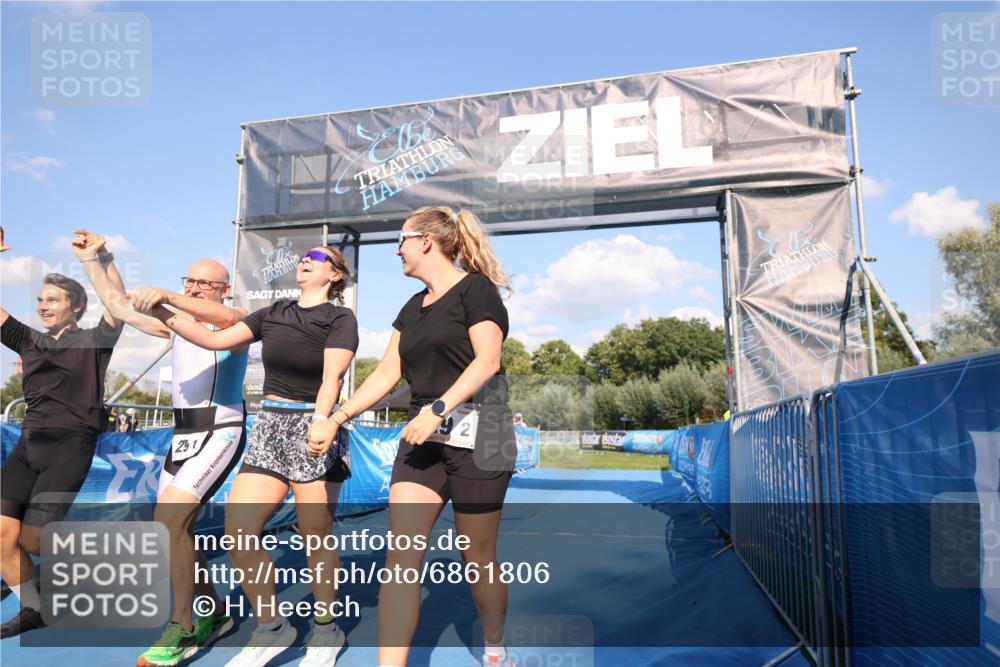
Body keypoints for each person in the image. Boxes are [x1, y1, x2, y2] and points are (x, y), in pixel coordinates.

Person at [135, 245, 358, 667]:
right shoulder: (274, 312)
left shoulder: (339, 318)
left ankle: (327, 629)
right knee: (239, 530)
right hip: (270, 427)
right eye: (304, 255)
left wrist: (323, 420)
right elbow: (212, 337)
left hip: (314, 426)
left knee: (315, 535)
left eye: (317, 255)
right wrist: (162, 309)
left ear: (334, 274)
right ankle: (273, 627)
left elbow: (333, 377)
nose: (305, 259)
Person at [326, 206, 517, 667]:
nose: (398, 250)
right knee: (402, 558)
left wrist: (438, 409)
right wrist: (339, 415)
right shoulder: (410, 309)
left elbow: (486, 361)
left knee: (479, 557)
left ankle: (495, 649)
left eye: (402, 241)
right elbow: (387, 373)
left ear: (426, 241)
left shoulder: (477, 290)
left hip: (483, 434)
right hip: (422, 441)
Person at [72, 233, 251, 666]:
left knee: (168, 521)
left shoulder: (237, 322)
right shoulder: (179, 325)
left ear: (222, 288)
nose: (191, 289)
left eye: (201, 285)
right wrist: (96, 259)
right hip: (183, 435)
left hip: (221, 429)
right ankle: (211, 611)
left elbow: (229, 315)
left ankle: (182, 627)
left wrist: (169, 296)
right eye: (186, 281)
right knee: (173, 530)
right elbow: (120, 305)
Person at [0, 228, 124, 638]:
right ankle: (34, 608)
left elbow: (117, 304)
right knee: (3, 534)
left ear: (77, 308)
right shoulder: (28, 341)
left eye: (53, 299)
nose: (42, 306)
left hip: (71, 445)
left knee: (34, 541)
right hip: (29, 444)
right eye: (39, 300)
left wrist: (101, 258)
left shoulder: (95, 342)